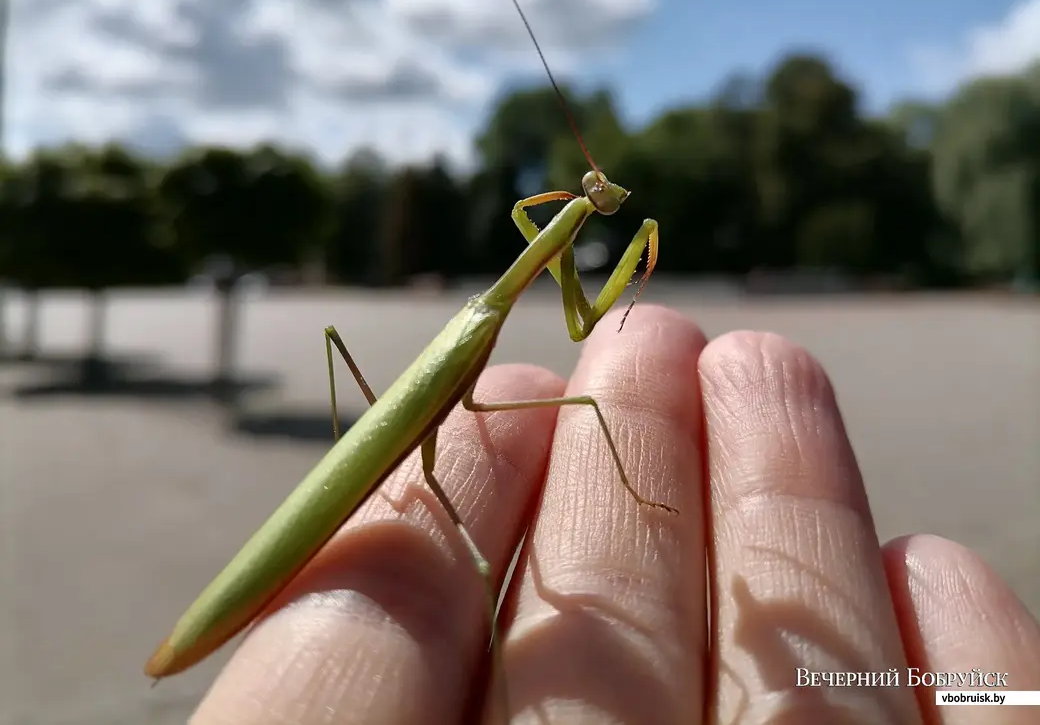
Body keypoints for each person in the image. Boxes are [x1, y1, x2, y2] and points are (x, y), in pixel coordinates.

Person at [189, 306, 1040, 724]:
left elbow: (568, 283)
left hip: (381, 455)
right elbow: (584, 312)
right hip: (375, 462)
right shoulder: (490, 304)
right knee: (535, 490)